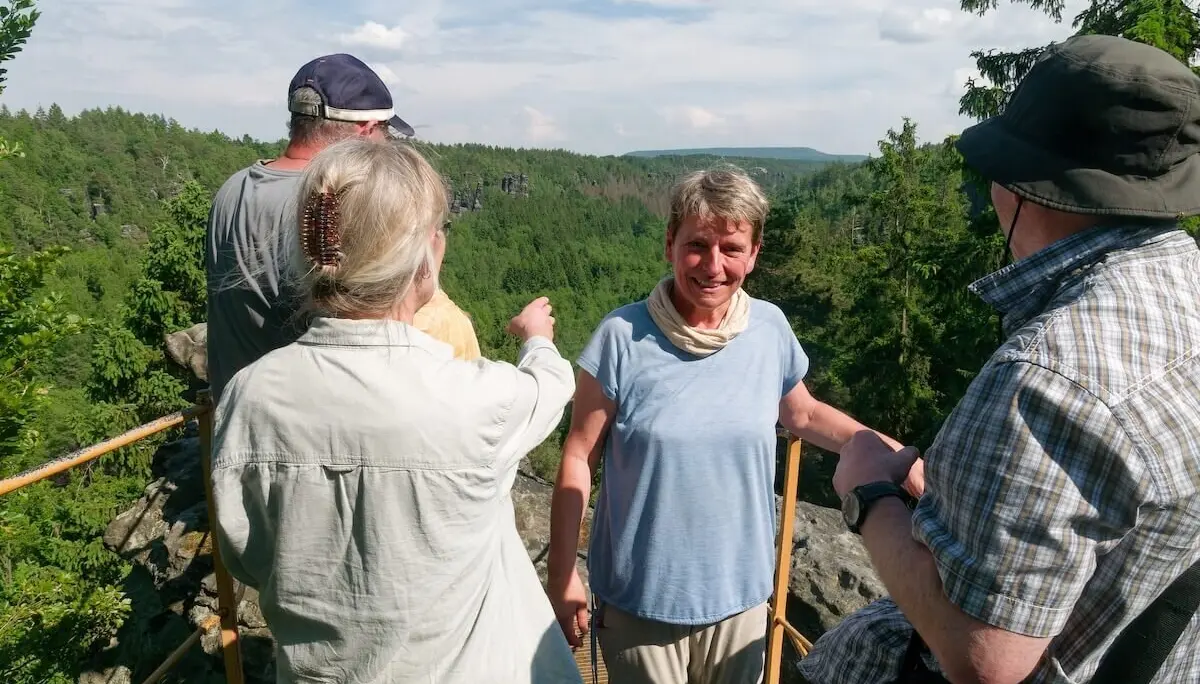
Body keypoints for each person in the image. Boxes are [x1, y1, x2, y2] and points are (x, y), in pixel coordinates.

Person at [799, 35, 1200, 684]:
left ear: (1023, 187)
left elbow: (983, 656)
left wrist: (868, 493)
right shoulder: (1184, 296)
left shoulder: (1052, 374)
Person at [209, 137, 584, 684]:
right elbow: (552, 384)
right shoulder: (475, 401)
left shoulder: (249, 397)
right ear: (422, 262)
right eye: (437, 232)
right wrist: (536, 338)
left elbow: (245, 556)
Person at [546, 167, 909, 684]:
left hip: (739, 600)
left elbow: (802, 413)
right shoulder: (620, 338)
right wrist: (563, 577)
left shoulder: (769, 328)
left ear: (754, 253)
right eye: (697, 245)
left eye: (731, 248)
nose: (713, 266)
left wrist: (887, 452)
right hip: (640, 604)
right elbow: (579, 454)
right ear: (670, 243)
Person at [204, 52, 480, 402]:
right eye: (386, 134)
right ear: (365, 132)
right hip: (312, 422)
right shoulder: (333, 205)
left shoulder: (231, 189)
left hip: (236, 414)